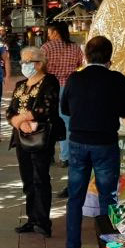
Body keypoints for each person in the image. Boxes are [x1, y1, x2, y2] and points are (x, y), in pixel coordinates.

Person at [62, 36, 125, 248]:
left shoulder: (75, 79)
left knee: (75, 196)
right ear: (110, 57)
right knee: (108, 197)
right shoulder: (116, 79)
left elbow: (65, 108)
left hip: (77, 142)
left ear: (86, 55)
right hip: (105, 144)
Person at [7, 47, 64, 237]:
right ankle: (32, 218)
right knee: (27, 179)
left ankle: (43, 221)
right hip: (21, 137)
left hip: (41, 136)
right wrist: (17, 122)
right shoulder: (21, 85)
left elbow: (46, 107)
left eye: (27, 62)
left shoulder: (49, 81)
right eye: (22, 61)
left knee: (41, 178)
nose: (24, 65)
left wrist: (22, 119)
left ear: (39, 63)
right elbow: (10, 110)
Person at [42, 21, 83, 174]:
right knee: (66, 122)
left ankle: (49, 154)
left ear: (55, 32)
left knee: (48, 121)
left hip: (50, 87)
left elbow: (39, 66)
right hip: (70, 87)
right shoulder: (75, 48)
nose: (48, 35)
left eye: (49, 32)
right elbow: (80, 64)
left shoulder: (46, 48)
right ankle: (66, 156)